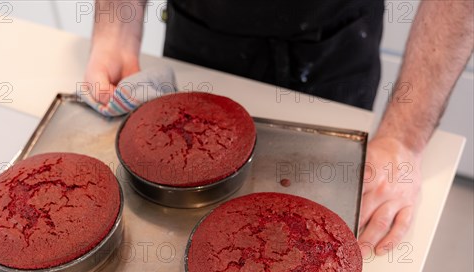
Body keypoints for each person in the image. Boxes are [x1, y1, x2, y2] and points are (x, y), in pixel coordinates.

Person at [84, 0, 474, 257]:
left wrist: (403, 138)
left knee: (311, 246)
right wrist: (117, 29)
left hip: (331, 44)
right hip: (201, 31)